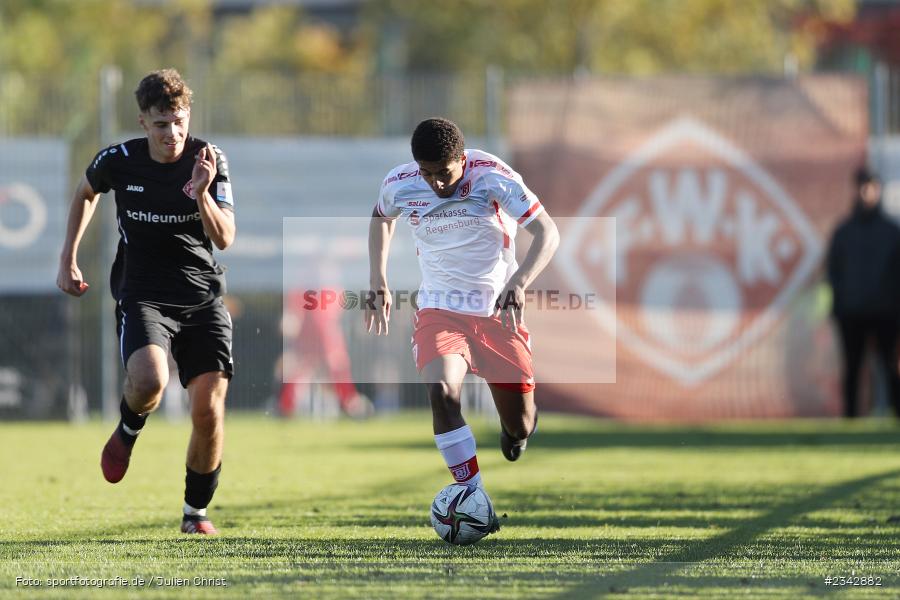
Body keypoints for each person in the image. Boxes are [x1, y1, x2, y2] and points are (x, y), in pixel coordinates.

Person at [56, 69, 236, 534]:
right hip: (144, 295)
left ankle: (195, 513)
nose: (172, 133)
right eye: (161, 124)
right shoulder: (118, 160)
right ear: (143, 122)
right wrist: (68, 258)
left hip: (202, 298)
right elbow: (86, 193)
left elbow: (226, 237)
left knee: (208, 410)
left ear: (188, 115)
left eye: (179, 121)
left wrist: (201, 193)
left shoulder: (209, 158)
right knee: (149, 381)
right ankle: (127, 431)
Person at [365, 118, 559, 522]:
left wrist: (520, 281)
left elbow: (547, 232)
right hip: (440, 312)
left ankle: (518, 430)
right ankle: (471, 496)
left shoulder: (492, 177)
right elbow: (382, 217)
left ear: (462, 159)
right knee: (441, 391)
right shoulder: (401, 181)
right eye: (427, 173)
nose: (435, 183)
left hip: (496, 315)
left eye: (444, 173)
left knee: (518, 428)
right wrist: (377, 279)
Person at [826, 166, 900, 418]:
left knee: (890, 366)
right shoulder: (843, 232)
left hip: (886, 313)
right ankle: (850, 418)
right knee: (853, 368)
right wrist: (840, 305)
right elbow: (832, 272)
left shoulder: (892, 232)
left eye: (871, 186)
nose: (866, 192)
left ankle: (895, 415)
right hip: (852, 312)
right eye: (862, 186)